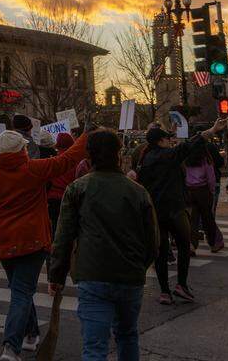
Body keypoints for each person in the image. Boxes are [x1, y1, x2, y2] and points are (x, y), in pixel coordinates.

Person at [0, 128, 89, 361]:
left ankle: (31, 335)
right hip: (32, 241)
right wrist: (86, 136)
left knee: (20, 288)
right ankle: (11, 347)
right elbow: (67, 159)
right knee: (21, 292)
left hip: (3, 242)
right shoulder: (34, 169)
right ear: (22, 148)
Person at [49, 129, 158, 361]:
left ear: (89, 157)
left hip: (93, 273)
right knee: (127, 336)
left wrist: (56, 276)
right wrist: (140, 265)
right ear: (119, 155)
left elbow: (64, 237)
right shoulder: (138, 192)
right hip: (130, 275)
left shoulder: (78, 189)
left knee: (94, 346)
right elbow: (152, 240)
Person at [136, 118, 226, 306]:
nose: (170, 141)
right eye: (167, 139)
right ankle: (181, 285)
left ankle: (164, 291)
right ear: (161, 141)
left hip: (156, 211)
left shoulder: (144, 160)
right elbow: (191, 144)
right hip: (174, 208)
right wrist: (212, 129)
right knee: (184, 245)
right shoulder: (169, 156)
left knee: (161, 252)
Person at [184, 143, 223, 254]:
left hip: (189, 191)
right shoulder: (205, 160)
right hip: (203, 191)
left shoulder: (185, 160)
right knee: (208, 218)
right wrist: (211, 191)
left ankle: (191, 245)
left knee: (192, 219)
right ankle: (213, 244)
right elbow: (211, 178)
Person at [46, 132, 76, 239]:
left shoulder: (53, 160)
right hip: (70, 198)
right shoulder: (75, 161)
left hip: (53, 199)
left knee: (55, 228)